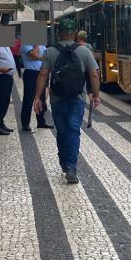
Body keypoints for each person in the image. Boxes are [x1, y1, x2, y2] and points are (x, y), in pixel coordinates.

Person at [34, 15, 100, 184]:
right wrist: (96, 95)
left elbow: (43, 74)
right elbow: (93, 74)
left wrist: (38, 98)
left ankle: (64, 162)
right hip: (77, 98)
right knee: (73, 130)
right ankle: (71, 166)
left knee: (62, 131)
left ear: (59, 32)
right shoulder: (85, 50)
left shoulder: (50, 51)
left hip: (57, 98)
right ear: (74, 33)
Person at [20, 42, 52, 132]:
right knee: (29, 99)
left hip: (41, 73)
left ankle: (41, 121)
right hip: (31, 73)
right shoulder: (26, 44)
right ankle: (25, 124)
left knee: (42, 98)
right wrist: (36, 45)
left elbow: (46, 57)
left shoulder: (42, 45)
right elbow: (34, 55)